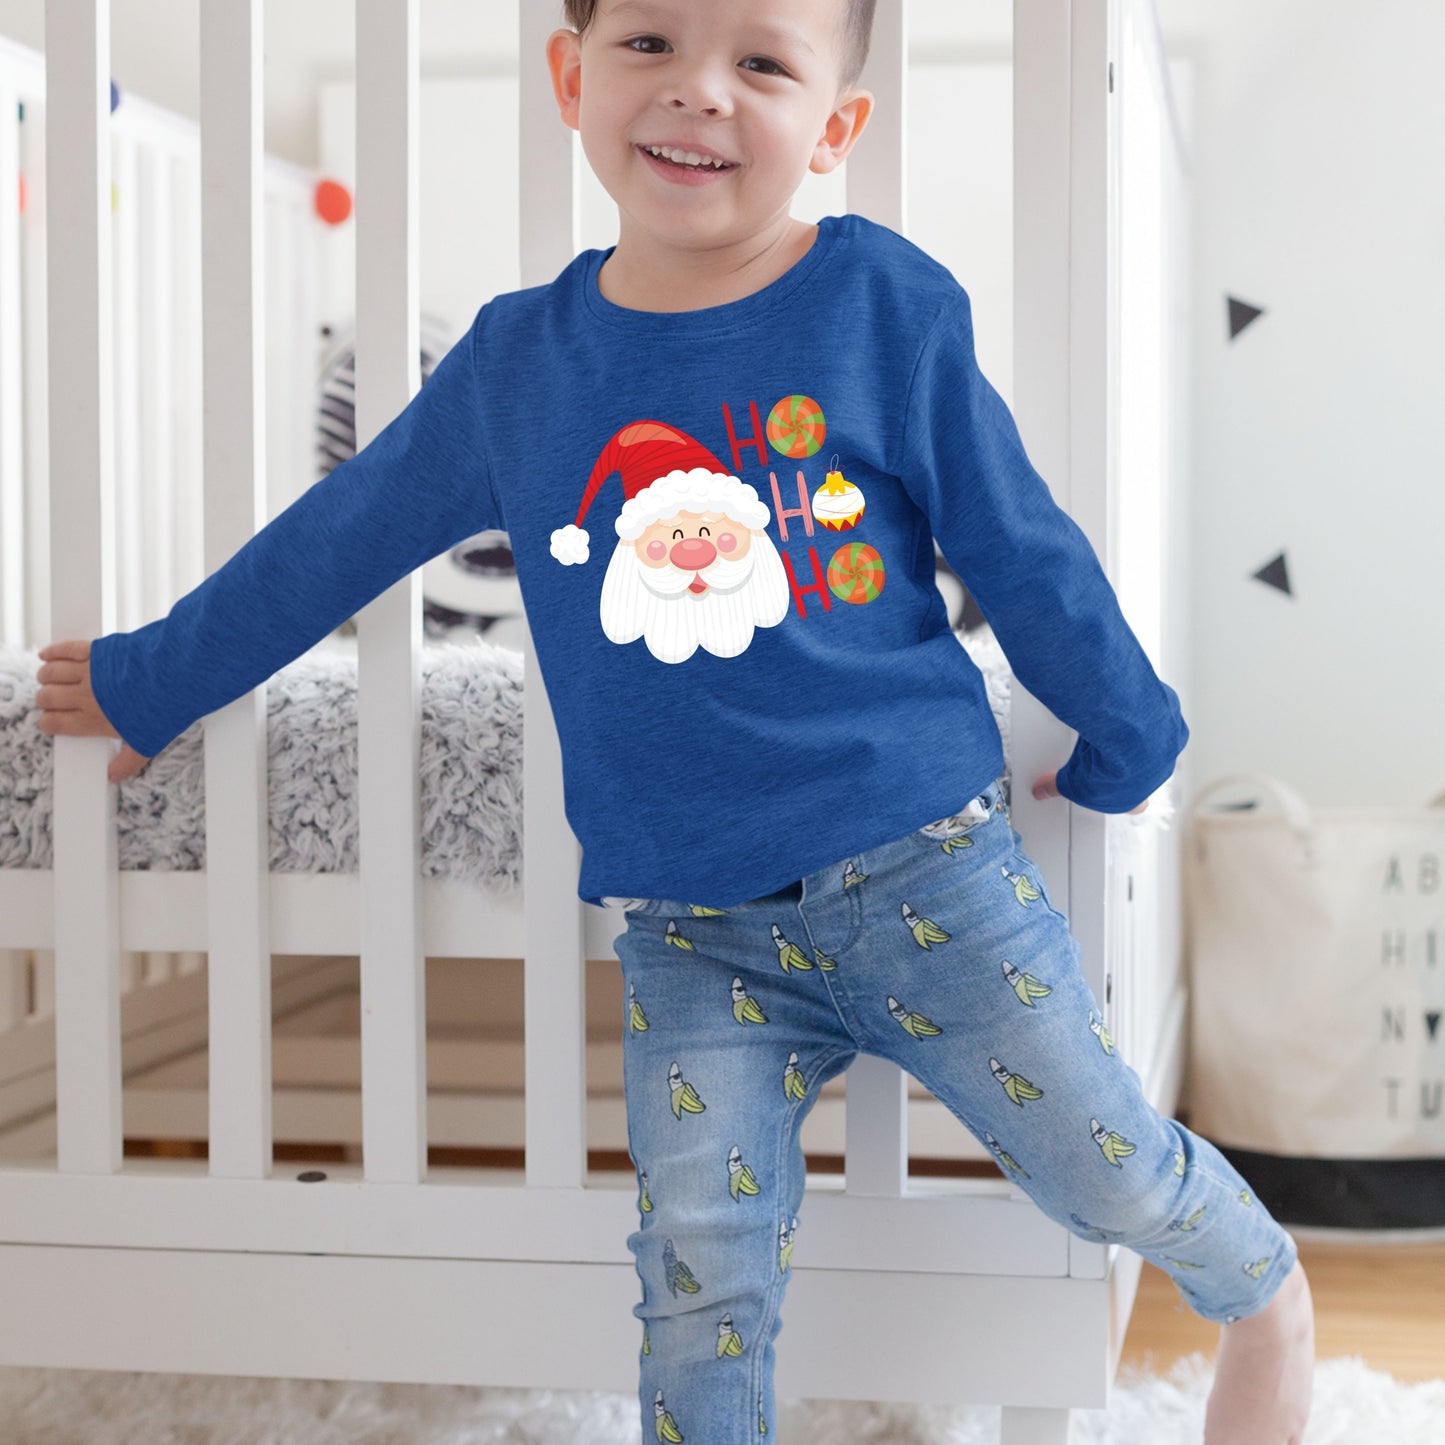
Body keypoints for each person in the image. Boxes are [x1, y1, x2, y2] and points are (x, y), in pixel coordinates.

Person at [34, 0, 1314, 1440]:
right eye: (649, 42)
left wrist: (1128, 730)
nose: (699, 90)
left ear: (834, 125)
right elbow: (340, 535)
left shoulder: (883, 305)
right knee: (697, 1288)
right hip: (696, 932)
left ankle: (1261, 1289)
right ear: (570, 73)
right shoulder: (520, 366)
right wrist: (157, 676)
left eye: (760, 61)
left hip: (926, 874)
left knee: (1105, 1165)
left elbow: (1021, 546)